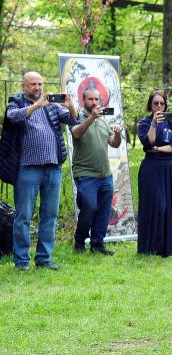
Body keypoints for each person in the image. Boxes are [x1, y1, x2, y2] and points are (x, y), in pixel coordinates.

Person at [5, 71, 79, 270]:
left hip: (53, 168)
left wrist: (71, 106)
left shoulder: (53, 106)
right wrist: (37, 105)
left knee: (50, 215)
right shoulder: (16, 103)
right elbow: (12, 118)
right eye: (33, 85)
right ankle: (21, 262)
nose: (37, 88)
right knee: (23, 216)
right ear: (24, 86)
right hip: (28, 169)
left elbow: (74, 121)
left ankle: (44, 259)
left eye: (40, 84)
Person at [70, 86, 122, 254]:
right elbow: (76, 134)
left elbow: (113, 143)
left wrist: (118, 134)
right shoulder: (76, 116)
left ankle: (97, 244)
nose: (94, 102)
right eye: (90, 99)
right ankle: (79, 241)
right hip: (85, 174)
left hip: (105, 174)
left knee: (104, 210)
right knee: (90, 208)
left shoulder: (103, 119)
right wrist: (91, 118)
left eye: (96, 99)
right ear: (83, 101)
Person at [137, 91, 172, 257]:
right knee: (157, 206)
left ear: (165, 105)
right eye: (155, 103)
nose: (159, 106)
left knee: (170, 207)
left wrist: (159, 149)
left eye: (161, 103)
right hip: (151, 168)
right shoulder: (144, 123)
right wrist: (154, 124)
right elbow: (148, 141)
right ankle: (150, 248)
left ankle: (169, 249)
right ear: (150, 104)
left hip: (169, 167)